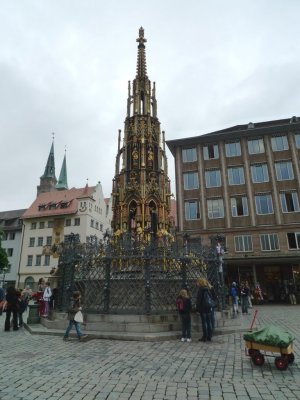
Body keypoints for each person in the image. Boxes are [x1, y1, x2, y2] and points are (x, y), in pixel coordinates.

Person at [196, 278, 213, 342]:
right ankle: (209, 336)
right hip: (208, 307)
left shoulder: (201, 290)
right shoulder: (208, 289)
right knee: (209, 322)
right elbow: (211, 298)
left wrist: (197, 309)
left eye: (197, 282)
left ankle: (205, 337)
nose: (197, 283)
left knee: (204, 323)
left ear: (200, 283)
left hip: (203, 308)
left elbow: (199, 300)